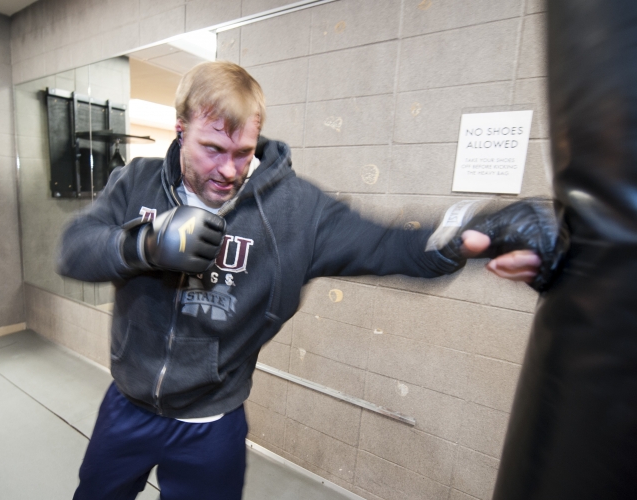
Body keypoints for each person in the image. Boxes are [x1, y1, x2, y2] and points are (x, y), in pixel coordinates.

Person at [58, 61, 552, 500]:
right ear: (181, 129)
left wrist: (479, 232)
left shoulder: (295, 211)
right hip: (128, 404)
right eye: (212, 148)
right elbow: (73, 251)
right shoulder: (137, 182)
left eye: (242, 153)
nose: (228, 170)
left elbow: (390, 245)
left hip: (211, 422)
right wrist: (142, 245)